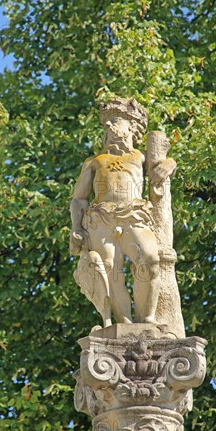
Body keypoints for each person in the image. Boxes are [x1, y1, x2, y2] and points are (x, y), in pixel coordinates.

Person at [70, 98, 176, 327]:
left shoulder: (139, 157)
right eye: (106, 123)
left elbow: (162, 165)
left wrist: (170, 164)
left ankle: (146, 319)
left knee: (149, 261)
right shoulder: (95, 161)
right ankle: (123, 323)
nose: (108, 126)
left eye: (115, 121)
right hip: (100, 218)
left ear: (132, 125)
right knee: (109, 270)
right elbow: (79, 198)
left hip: (135, 214)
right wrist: (76, 228)